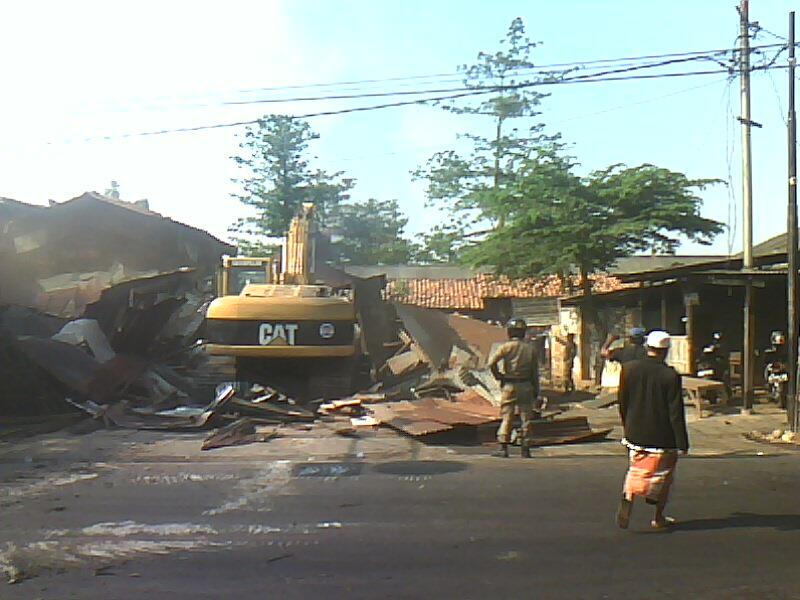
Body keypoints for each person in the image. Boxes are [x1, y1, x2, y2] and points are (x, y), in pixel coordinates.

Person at [616, 330, 689, 530]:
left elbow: (623, 401)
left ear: (648, 347)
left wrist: (627, 425)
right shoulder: (670, 375)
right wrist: (682, 441)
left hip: (635, 432)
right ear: (665, 351)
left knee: (637, 468)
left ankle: (629, 496)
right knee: (663, 476)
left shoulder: (629, 369)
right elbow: (675, 412)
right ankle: (658, 516)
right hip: (662, 436)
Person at [487, 318, 540, 458]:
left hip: (509, 385)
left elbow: (491, 363)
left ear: (509, 332)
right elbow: (535, 373)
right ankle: (526, 449)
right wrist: (536, 390)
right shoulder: (531, 349)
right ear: (523, 332)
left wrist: (499, 376)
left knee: (507, 417)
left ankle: (503, 448)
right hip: (526, 386)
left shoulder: (505, 347)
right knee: (526, 418)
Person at [553, 329, 577, 393]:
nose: (567, 338)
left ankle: (568, 389)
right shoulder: (571, 344)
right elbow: (563, 343)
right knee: (568, 376)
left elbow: (572, 353)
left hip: (568, 362)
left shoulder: (571, 345)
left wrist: (568, 360)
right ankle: (571, 388)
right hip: (568, 362)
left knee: (566, 376)